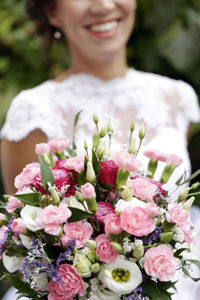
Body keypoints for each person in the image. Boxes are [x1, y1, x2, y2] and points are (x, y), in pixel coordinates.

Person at [0, 0, 200, 299]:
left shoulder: (177, 98)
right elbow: (26, 238)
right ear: (52, 11)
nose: (104, 5)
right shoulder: (32, 113)